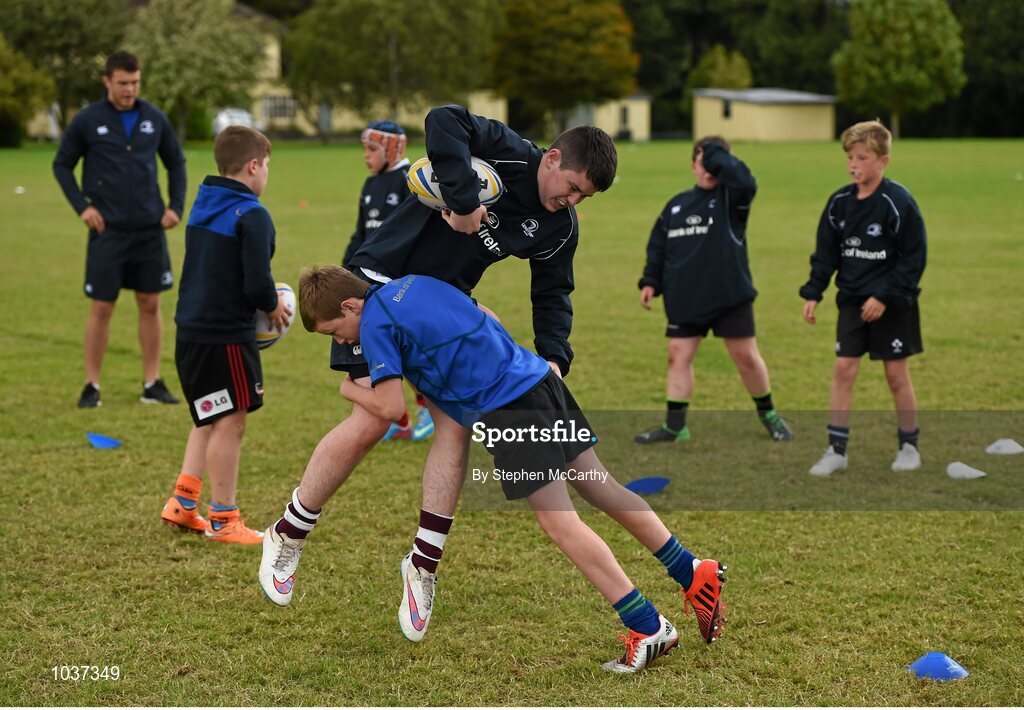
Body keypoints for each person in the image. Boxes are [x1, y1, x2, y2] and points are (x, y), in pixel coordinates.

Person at [258, 106, 618, 637]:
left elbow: (553, 291)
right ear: (555, 158)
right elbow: (443, 120)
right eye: (572, 187)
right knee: (372, 420)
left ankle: (422, 566)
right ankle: (288, 533)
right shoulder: (508, 151)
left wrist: (555, 354)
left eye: (583, 196)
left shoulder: (559, 225)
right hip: (375, 288)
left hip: (439, 311)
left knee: (455, 423)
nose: (573, 200)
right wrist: (464, 199)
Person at [292, 265, 728, 671]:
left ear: (350, 306)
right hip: (539, 379)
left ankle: (647, 626)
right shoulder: (415, 282)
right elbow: (487, 314)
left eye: (337, 332)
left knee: (560, 523)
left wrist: (349, 389)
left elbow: (390, 407)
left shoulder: (374, 324)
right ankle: (691, 570)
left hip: (509, 409)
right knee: (602, 486)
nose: (345, 343)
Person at [159, 126, 290, 543]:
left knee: (208, 415)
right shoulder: (253, 214)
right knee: (230, 421)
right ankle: (223, 518)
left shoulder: (205, 201)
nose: (266, 174)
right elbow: (256, 284)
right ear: (253, 166)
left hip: (191, 331)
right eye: (267, 165)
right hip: (226, 336)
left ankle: (183, 501)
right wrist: (275, 307)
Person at [636, 136, 793, 444]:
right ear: (693, 166)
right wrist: (650, 281)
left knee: (746, 357)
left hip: (728, 296)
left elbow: (745, 179)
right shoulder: (677, 205)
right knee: (677, 356)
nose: (707, 168)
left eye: (713, 162)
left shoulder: (733, 199)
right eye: (701, 161)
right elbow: (659, 247)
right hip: (685, 296)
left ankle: (770, 415)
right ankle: (675, 427)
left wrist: (714, 154)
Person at [53, 50, 186, 409]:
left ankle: (152, 382)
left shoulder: (153, 118)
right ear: (107, 81)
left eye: (135, 83)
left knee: (150, 303)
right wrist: (83, 207)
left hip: (148, 231)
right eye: (123, 83)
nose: (130, 89)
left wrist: (176, 206)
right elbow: (62, 165)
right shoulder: (87, 120)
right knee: (102, 307)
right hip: (107, 231)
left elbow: (176, 162)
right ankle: (92, 385)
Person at [800, 120, 927, 476]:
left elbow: (914, 258)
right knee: (844, 369)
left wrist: (885, 297)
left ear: (882, 161)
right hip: (853, 301)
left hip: (893, 304)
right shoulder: (839, 203)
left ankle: (909, 446)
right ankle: (836, 450)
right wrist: (814, 292)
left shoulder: (897, 202)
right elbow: (826, 254)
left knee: (896, 376)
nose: (854, 164)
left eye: (862, 157)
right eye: (850, 157)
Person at [340, 119, 431, 442]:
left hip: (398, 282)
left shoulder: (410, 182)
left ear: (394, 149)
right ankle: (402, 419)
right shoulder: (370, 185)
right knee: (383, 353)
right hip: (368, 279)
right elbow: (361, 234)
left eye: (372, 149)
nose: (366, 156)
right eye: (365, 149)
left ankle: (426, 410)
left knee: (408, 350)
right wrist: (346, 270)